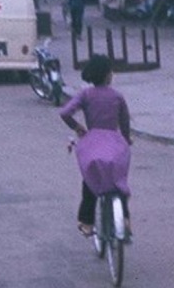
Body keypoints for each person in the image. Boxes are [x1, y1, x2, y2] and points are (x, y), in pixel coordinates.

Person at [59, 53, 133, 238]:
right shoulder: (117, 96)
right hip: (115, 144)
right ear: (108, 75)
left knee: (90, 181)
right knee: (118, 181)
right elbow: (125, 122)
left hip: (93, 144)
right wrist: (127, 139)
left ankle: (87, 222)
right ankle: (125, 220)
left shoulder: (85, 94)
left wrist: (78, 128)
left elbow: (65, 113)